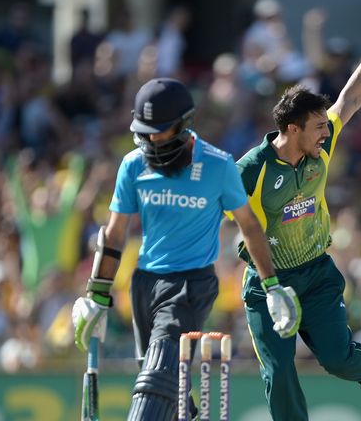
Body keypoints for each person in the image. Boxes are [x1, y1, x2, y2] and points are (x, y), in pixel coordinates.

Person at [71, 77, 301, 419]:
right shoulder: (134, 165)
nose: (151, 138)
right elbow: (115, 234)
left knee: (153, 385)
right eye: (145, 130)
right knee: (164, 383)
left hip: (190, 285)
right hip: (145, 284)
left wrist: (272, 286)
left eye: (159, 131)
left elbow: (249, 226)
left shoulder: (218, 165)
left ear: (183, 124)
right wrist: (97, 296)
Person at [234, 3, 361, 421]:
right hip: (269, 283)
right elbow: (233, 220)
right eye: (318, 126)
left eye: (327, 126)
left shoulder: (319, 151)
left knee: (338, 359)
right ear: (291, 129)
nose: (327, 132)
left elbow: (351, 100)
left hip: (316, 273)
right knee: (279, 370)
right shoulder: (252, 169)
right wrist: (270, 285)